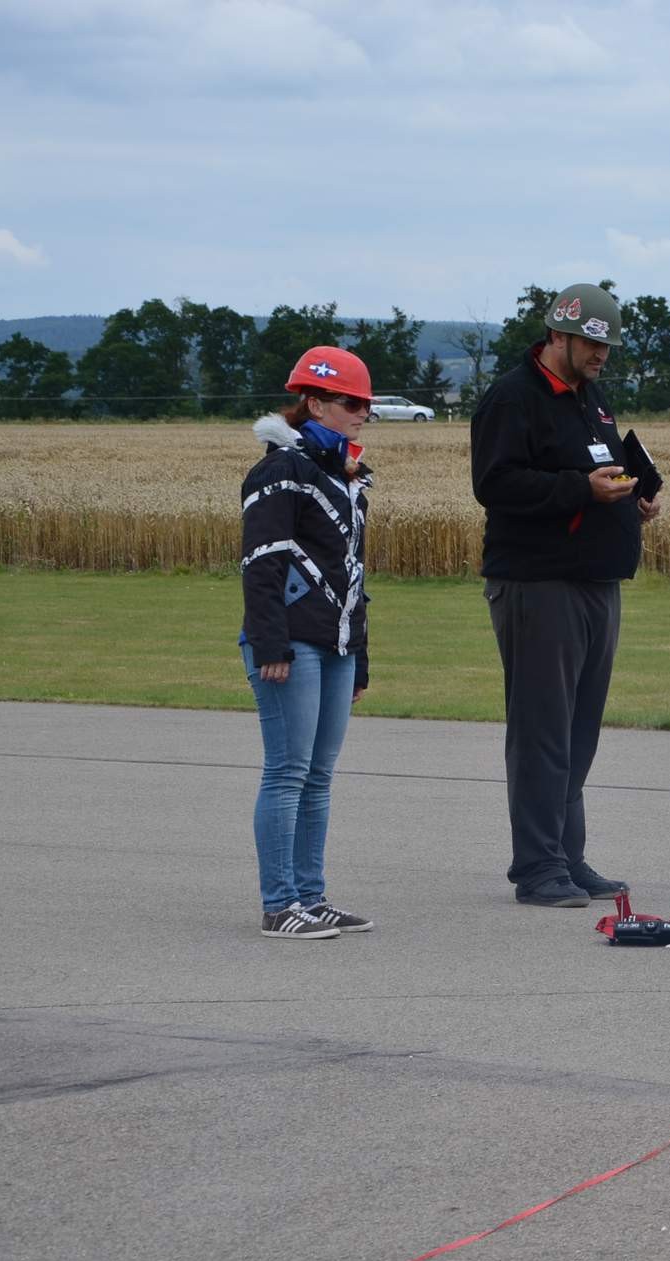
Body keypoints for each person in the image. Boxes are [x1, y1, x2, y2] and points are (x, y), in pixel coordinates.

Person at [470, 283, 662, 907]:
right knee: (542, 730)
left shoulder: (591, 396)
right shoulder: (513, 397)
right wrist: (584, 489)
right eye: (591, 343)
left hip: (597, 580)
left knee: (579, 731)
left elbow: (599, 467)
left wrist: (633, 498)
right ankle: (537, 867)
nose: (602, 354)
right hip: (538, 583)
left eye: (608, 345)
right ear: (558, 334)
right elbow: (495, 483)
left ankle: (567, 857)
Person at [239, 346, 377, 940]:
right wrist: (270, 644)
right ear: (315, 403)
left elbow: (353, 573)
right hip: (290, 645)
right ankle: (279, 905)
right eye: (351, 401)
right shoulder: (280, 470)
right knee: (288, 772)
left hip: (337, 644)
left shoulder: (346, 476)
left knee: (319, 776)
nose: (362, 412)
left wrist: (359, 655)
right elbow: (262, 562)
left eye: (366, 403)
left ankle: (311, 898)